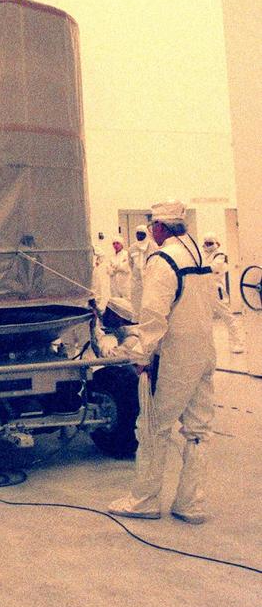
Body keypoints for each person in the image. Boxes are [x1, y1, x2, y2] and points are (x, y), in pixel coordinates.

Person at [108, 201, 216, 524]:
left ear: (159, 227)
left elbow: (154, 315)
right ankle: (191, 503)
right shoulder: (199, 255)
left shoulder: (164, 259)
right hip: (204, 352)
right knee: (198, 431)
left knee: (154, 427)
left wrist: (143, 356)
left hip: (175, 357)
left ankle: (144, 500)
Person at [202, 235, 245, 354]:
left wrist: (200, 270)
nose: (207, 246)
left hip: (217, 291)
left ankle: (238, 342)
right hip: (205, 290)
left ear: (217, 243)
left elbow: (213, 268)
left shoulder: (219, 255)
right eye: (206, 243)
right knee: (204, 318)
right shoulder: (205, 255)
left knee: (228, 316)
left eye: (210, 243)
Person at [129, 223, 151, 316]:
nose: (139, 236)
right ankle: (137, 320)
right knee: (136, 300)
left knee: (149, 301)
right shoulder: (132, 248)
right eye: (138, 233)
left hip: (149, 278)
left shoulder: (152, 246)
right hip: (137, 280)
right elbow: (131, 264)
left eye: (142, 234)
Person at [108, 236, 132, 303]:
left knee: (127, 301)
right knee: (116, 301)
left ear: (122, 244)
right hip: (114, 283)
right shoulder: (112, 257)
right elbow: (109, 270)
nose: (115, 245)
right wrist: (117, 267)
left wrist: (115, 267)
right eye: (114, 243)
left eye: (117, 243)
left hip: (125, 282)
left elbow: (126, 267)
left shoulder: (127, 254)